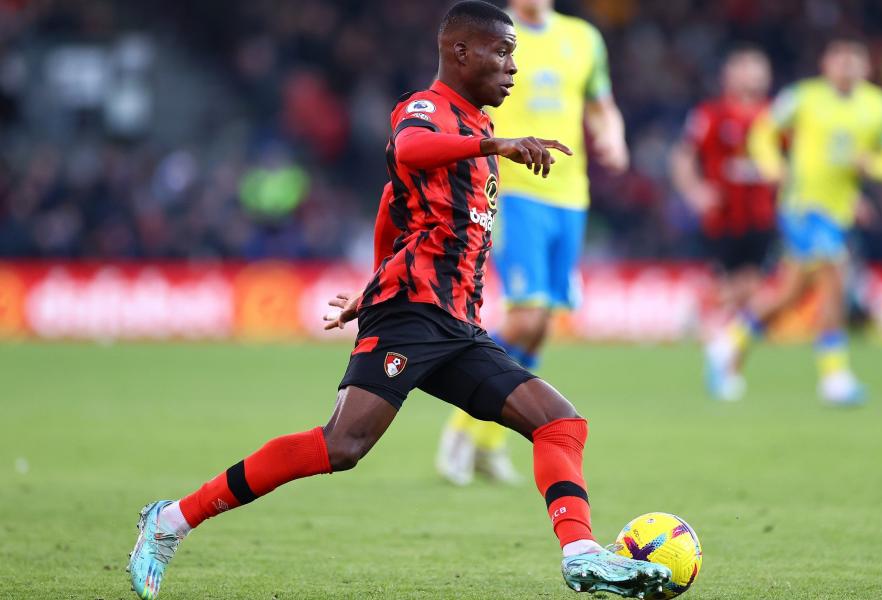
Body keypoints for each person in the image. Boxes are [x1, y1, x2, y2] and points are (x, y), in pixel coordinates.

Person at [126, 3, 671, 599]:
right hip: (411, 313)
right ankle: (170, 521)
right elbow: (410, 151)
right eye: (503, 52)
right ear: (461, 51)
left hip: (458, 323)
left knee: (561, 423)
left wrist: (369, 282)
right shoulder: (427, 108)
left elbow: (393, 205)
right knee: (342, 445)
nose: (514, 66)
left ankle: (582, 554)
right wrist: (500, 150)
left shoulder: (480, 128)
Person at [435, 0, 628, 487]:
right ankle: (459, 430)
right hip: (517, 191)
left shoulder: (584, 38)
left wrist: (613, 137)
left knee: (542, 326)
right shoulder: (492, 32)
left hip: (570, 195)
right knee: (526, 315)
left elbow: (601, 103)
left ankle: (488, 443)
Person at [705, 38, 882, 404]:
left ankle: (729, 342)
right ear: (826, 63)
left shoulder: (880, 107)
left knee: (790, 294)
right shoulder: (803, 97)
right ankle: (834, 376)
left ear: (866, 66)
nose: (846, 66)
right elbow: (762, 132)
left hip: (838, 213)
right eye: (839, 59)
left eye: (854, 59)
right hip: (800, 206)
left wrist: (869, 168)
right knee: (835, 276)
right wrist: (773, 167)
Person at [671, 47, 776, 321]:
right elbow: (684, 155)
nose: (754, 76)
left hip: (764, 214)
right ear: (729, 75)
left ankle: (707, 312)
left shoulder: (776, 116)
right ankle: (708, 316)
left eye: (759, 69)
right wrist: (693, 190)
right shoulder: (711, 114)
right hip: (722, 214)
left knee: (754, 284)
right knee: (745, 282)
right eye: (746, 68)